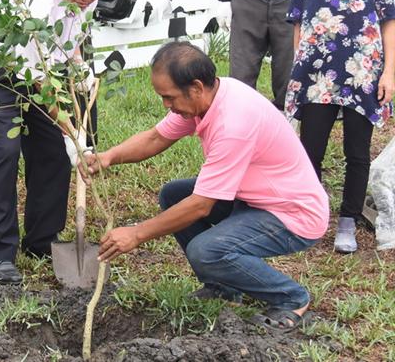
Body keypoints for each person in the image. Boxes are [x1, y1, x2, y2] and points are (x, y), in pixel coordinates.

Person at [85, 42, 329, 331]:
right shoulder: (210, 99)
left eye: (169, 97)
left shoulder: (233, 124)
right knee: (173, 195)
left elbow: (202, 205)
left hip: (292, 214)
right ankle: (224, 288)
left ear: (197, 87)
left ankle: (291, 298)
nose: (166, 105)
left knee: (206, 250)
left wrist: (136, 234)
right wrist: (109, 157)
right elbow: (155, 138)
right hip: (252, 199)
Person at [0, 0, 109, 284]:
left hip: (43, 75)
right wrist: (69, 128)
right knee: (5, 150)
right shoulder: (31, 2)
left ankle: (41, 240)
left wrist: (79, 69)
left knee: (52, 154)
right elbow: (38, 80)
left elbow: (71, 40)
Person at [285, 0, 395, 253]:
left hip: (362, 71)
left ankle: (347, 221)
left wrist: (390, 72)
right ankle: (310, 216)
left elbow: (389, 23)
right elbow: (298, 19)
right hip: (316, 74)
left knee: (357, 151)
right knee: (309, 148)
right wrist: (300, 62)